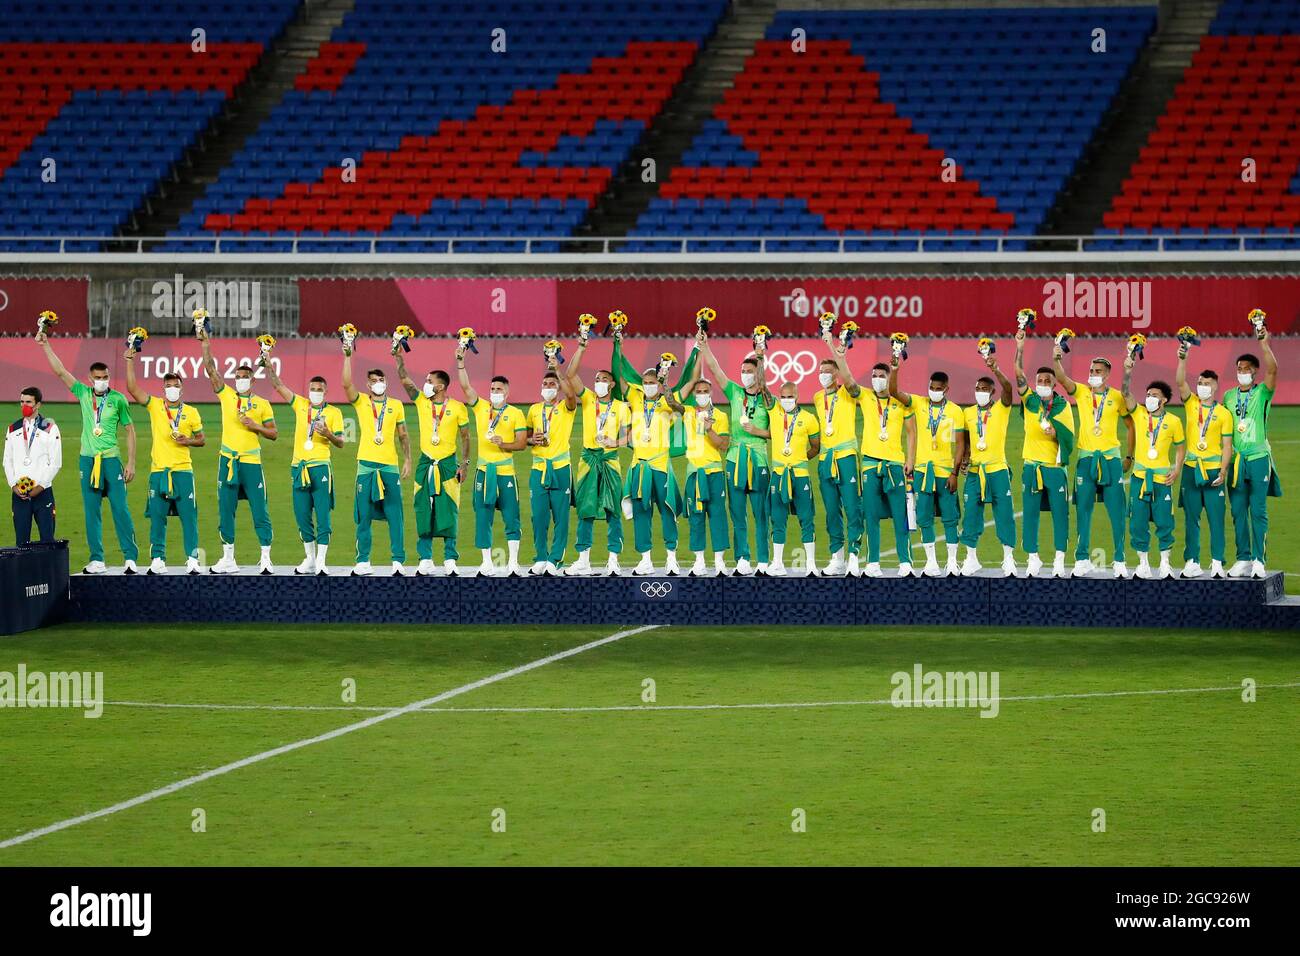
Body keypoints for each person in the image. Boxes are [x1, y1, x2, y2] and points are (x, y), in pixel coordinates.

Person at [38, 331, 139, 573]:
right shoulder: (83, 393)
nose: (102, 381)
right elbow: (61, 371)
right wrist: (45, 345)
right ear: (90, 378)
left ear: (108, 377)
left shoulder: (118, 399)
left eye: (105, 377)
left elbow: (130, 430)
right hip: (87, 461)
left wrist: (131, 463)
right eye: (98, 377)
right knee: (91, 512)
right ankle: (97, 559)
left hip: (111, 461)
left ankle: (130, 558)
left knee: (120, 509)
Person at [829, 348, 914, 576]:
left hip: (895, 464)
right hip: (869, 463)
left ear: (889, 378)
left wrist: (911, 460)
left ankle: (905, 562)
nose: (876, 380)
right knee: (871, 515)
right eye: (874, 376)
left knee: (900, 515)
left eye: (881, 376)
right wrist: (838, 353)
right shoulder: (865, 396)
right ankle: (873, 562)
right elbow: (847, 379)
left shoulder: (900, 400)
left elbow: (911, 432)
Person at [199, 329, 276, 574]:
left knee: (259, 510)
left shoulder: (263, 404)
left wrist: (255, 426)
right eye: (238, 375)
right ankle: (228, 558)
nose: (241, 379)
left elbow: (273, 433)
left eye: (245, 376)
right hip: (228, 460)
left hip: (252, 462)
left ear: (253, 380)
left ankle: (265, 558)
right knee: (226, 509)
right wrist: (205, 342)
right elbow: (211, 369)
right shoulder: (227, 396)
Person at [1054, 346, 1133, 577]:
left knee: (1117, 512)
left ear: (1107, 374)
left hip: (1110, 459)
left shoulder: (1117, 396)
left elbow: (1131, 425)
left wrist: (1129, 455)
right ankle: (1082, 559)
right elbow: (1061, 377)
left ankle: (1119, 559)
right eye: (1091, 370)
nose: (1093, 373)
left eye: (1098, 371)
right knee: (1083, 510)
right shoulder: (1081, 392)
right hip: (1086, 459)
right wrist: (1056, 357)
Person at [125, 345, 204, 574]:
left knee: (189, 518)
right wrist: (130, 359)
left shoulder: (191, 412)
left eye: (175, 385)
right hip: (158, 471)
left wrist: (186, 441)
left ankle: (192, 559)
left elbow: (201, 440)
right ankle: (158, 559)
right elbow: (132, 388)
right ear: (163, 389)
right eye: (168, 385)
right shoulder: (155, 406)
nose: (171, 389)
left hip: (183, 471)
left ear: (182, 389)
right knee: (158, 518)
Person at [699, 331, 773, 575]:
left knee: (761, 512)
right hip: (734, 459)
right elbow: (715, 368)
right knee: (737, 512)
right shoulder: (734, 392)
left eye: (749, 371)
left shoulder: (768, 399)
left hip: (759, 458)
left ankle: (763, 560)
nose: (745, 374)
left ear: (758, 374)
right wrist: (705, 346)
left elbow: (778, 433)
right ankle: (743, 558)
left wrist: (758, 430)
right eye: (742, 371)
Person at [267, 359, 345, 575]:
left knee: (323, 515)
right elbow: (278, 385)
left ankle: (321, 560)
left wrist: (328, 434)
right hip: (298, 468)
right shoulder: (300, 404)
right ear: (308, 391)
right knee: (302, 515)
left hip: (320, 466)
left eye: (319, 390)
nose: (315, 392)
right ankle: (310, 559)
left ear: (326, 391)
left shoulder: (335, 413)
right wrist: (267, 363)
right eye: (312, 389)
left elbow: (341, 442)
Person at [395, 351, 469, 576]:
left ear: (440, 387)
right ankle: (425, 558)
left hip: (448, 464)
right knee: (423, 509)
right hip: (424, 464)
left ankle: (450, 559)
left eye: (429, 381)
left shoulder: (457, 407)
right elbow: (405, 380)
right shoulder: (421, 402)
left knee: (449, 511)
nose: (425, 384)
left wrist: (465, 464)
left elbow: (466, 437)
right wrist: (399, 359)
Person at [888, 357, 963, 577]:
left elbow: (960, 445)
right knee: (924, 517)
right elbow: (893, 390)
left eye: (938, 388)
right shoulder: (918, 403)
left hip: (945, 471)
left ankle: (951, 562)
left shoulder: (956, 411)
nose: (934, 391)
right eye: (931, 387)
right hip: (922, 471)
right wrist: (895, 368)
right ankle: (931, 562)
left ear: (946, 389)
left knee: (950, 517)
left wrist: (954, 473)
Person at [457, 346, 528, 576]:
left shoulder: (516, 413)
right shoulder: (481, 408)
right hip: (484, 472)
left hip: (506, 472)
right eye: (492, 388)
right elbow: (466, 387)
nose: (495, 391)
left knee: (512, 517)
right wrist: (460, 362)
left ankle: (514, 563)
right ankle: (486, 563)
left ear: (507, 392)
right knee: (483, 517)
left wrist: (502, 443)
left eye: (499, 389)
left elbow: (521, 443)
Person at [563, 336, 631, 575]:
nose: (599, 382)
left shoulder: (622, 408)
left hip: (610, 461)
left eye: (604, 379)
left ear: (612, 384)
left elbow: (630, 437)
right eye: (597, 379)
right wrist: (581, 347)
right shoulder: (589, 399)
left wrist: (616, 441)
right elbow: (570, 374)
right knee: (586, 509)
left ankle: (613, 560)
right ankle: (583, 560)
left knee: (613, 510)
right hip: (588, 460)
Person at [342, 353, 411, 575]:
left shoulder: (397, 405)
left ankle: (398, 561)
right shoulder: (362, 401)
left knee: (395, 515)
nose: (377, 384)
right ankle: (363, 561)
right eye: (373, 381)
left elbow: (403, 434)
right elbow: (345, 383)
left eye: (380, 380)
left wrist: (408, 458)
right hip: (366, 467)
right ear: (367, 384)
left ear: (386, 382)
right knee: (363, 515)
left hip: (389, 466)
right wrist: (347, 355)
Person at [1014, 331, 1074, 577]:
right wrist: (1020, 346)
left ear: (1054, 384)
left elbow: (1069, 436)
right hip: (1031, 467)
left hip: (1055, 469)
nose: (1042, 384)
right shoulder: (1029, 402)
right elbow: (1018, 374)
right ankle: (1032, 558)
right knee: (1030, 515)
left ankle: (1060, 559)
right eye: (1039, 380)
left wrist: (1056, 435)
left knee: (1061, 515)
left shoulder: (1063, 406)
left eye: (1047, 381)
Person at [1222, 334, 1281, 578]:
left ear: (1255, 371)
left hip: (1258, 458)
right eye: (1239, 369)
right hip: (1237, 461)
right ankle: (1243, 558)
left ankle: (1259, 560)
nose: (1242, 372)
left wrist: (1264, 344)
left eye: (1246, 369)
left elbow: (1274, 369)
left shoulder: (1263, 393)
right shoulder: (1228, 396)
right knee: (1237, 511)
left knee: (1257, 510)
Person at [1120, 363, 1185, 579]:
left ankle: (1165, 563)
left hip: (1161, 480)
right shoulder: (1139, 414)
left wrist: (1176, 470)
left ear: (1164, 399)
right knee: (1137, 522)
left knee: (1164, 522)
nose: (1149, 397)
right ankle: (1143, 564)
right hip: (1139, 479)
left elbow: (1181, 447)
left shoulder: (1174, 421)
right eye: (1148, 394)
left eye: (1154, 395)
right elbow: (1125, 392)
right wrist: (1128, 369)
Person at [957, 354, 1018, 576]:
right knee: (971, 514)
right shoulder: (968, 413)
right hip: (974, 472)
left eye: (985, 388)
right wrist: (964, 460)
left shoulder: (1002, 408)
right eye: (978, 388)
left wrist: (996, 369)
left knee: (1004, 514)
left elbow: (1009, 389)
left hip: (997, 469)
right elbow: (966, 442)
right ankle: (971, 559)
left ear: (992, 392)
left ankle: (1008, 559)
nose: (980, 391)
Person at [622, 365, 686, 575]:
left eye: (652, 382)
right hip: (639, 465)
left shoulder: (666, 402)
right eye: (646, 383)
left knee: (667, 511)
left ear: (658, 385)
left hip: (660, 465)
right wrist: (617, 343)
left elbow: (680, 408)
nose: (649, 386)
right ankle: (645, 560)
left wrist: (666, 384)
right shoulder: (635, 400)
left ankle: (671, 559)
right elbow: (617, 371)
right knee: (641, 513)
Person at [1175, 346, 1232, 578]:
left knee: (1216, 519)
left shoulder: (1224, 414)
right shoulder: (1191, 403)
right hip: (1190, 469)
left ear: (1216, 386)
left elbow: (1227, 445)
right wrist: (1182, 358)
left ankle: (1217, 562)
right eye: (1200, 382)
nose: (1203, 387)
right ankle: (1192, 561)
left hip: (1212, 471)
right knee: (1191, 518)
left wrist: (1223, 470)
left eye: (1207, 383)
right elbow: (1180, 382)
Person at [525, 363, 578, 575]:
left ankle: (555, 559)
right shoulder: (534, 410)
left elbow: (572, 396)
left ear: (558, 388)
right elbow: (527, 437)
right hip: (538, 468)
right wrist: (532, 439)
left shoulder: (566, 407)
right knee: (538, 516)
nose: (547, 387)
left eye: (552, 384)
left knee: (561, 516)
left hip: (560, 468)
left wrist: (557, 371)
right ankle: (540, 557)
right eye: (545, 384)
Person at [813, 348, 862, 576]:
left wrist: (835, 349)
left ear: (836, 375)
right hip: (825, 459)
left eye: (828, 372)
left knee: (853, 508)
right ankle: (837, 558)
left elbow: (851, 381)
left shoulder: (848, 393)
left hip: (846, 458)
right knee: (832, 511)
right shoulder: (816, 398)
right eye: (820, 371)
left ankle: (854, 556)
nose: (823, 375)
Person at [677, 376, 730, 576]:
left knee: (717, 516)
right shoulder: (688, 412)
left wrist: (710, 430)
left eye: (705, 391)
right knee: (696, 518)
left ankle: (719, 563)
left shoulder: (720, 416)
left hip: (714, 473)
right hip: (694, 475)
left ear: (711, 393)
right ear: (692, 394)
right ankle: (699, 562)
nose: (701, 395)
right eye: (697, 392)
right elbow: (671, 402)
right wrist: (672, 381)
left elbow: (723, 446)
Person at [767, 382, 820, 576]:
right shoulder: (774, 412)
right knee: (778, 519)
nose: (786, 400)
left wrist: (800, 459)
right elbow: (763, 388)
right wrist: (761, 357)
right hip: (779, 475)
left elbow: (816, 446)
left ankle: (811, 565)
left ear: (797, 396)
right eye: (783, 396)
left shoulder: (808, 418)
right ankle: (778, 563)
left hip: (800, 475)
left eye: (790, 396)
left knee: (806, 519)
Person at [5, 387, 61, 546]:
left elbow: (56, 462)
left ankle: (47, 572)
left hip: (42, 494)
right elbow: (7, 460)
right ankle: (24, 572)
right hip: (19, 495)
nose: (24, 405)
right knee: (21, 543)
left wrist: (41, 486)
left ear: (38, 405)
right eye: (22, 402)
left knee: (47, 541)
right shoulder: (12, 428)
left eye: (28, 402)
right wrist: (13, 485)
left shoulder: (49, 428)